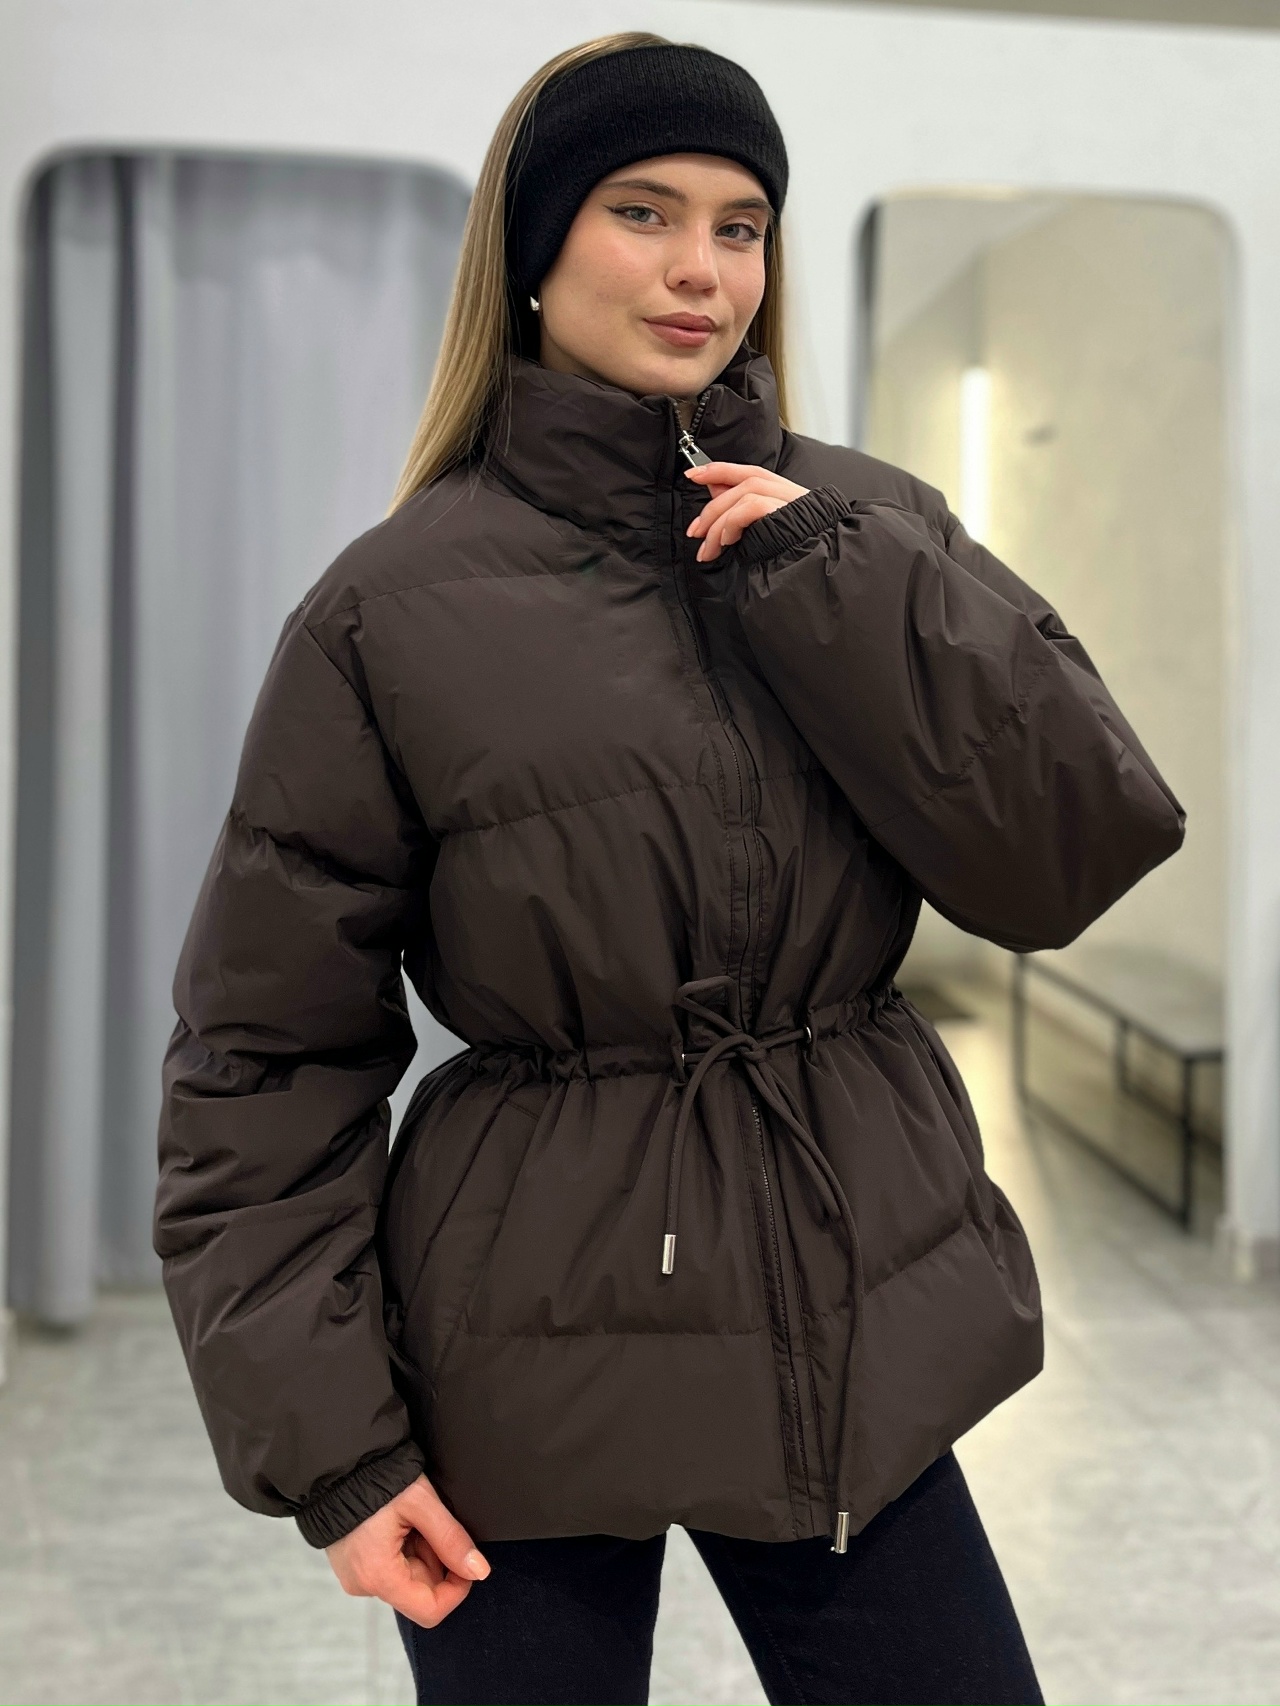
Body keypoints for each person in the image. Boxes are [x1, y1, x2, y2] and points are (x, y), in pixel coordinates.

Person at [154, 31, 1184, 1706]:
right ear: (534, 249)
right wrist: (334, 1451)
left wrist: (837, 580)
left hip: (841, 1311)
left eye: (741, 223)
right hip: (523, 1345)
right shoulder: (384, 612)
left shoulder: (869, 524)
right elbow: (265, 1054)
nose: (703, 268)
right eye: (642, 211)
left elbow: (1067, 852)